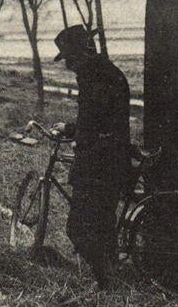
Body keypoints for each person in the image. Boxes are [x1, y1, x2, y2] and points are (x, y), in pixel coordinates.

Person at [52, 24, 131, 286]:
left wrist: (79, 140)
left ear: (80, 55)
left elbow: (94, 124)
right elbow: (101, 120)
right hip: (115, 157)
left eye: (69, 59)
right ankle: (111, 273)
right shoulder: (108, 72)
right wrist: (73, 129)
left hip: (99, 162)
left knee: (78, 229)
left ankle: (106, 281)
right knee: (104, 223)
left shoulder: (92, 78)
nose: (68, 66)